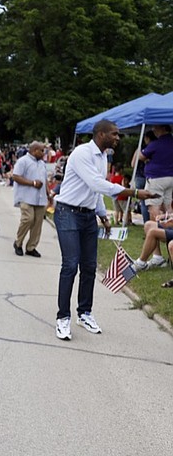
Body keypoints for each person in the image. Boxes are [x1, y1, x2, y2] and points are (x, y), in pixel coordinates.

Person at [53, 119, 159, 341]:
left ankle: (85, 313)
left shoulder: (103, 157)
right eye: (114, 134)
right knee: (71, 265)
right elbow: (96, 184)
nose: (118, 138)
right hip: (67, 214)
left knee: (89, 267)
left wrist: (102, 214)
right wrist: (134, 193)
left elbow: (95, 190)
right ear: (101, 135)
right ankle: (63, 317)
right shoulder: (82, 153)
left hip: (88, 216)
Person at [11, 141, 48, 257]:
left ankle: (31, 247)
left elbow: (45, 179)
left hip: (40, 198)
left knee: (38, 223)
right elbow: (16, 176)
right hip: (26, 197)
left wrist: (48, 194)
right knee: (28, 219)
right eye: (41, 150)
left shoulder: (42, 163)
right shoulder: (23, 161)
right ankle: (18, 243)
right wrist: (32, 183)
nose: (43, 153)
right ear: (34, 150)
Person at [137, 124, 173, 221]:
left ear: (164, 128)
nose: (153, 130)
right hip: (170, 177)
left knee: (154, 207)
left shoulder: (156, 143)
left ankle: (154, 230)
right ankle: (168, 231)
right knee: (168, 206)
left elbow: (140, 156)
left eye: (156, 127)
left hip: (156, 178)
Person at [131, 131, 156, 223]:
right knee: (153, 202)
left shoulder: (140, 149)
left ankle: (146, 223)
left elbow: (133, 164)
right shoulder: (154, 149)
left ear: (147, 138)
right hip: (150, 177)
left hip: (139, 177)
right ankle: (154, 222)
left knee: (143, 203)